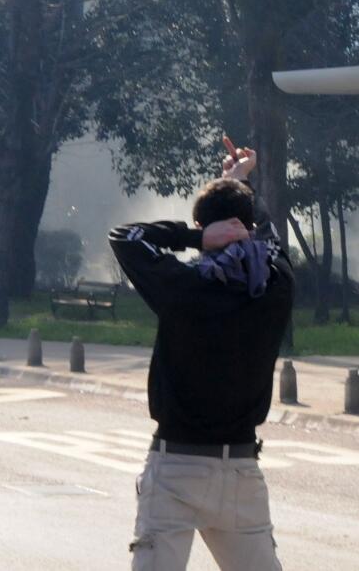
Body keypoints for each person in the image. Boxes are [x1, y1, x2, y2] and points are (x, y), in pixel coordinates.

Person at [109, 137, 294, 571]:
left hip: (176, 468)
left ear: (208, 229)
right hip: (242, 472)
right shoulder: (277, 287)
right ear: (246, 226)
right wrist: (239, 184)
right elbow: (267, 237)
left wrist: (195, 235)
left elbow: (125, 238)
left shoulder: (182, 288)